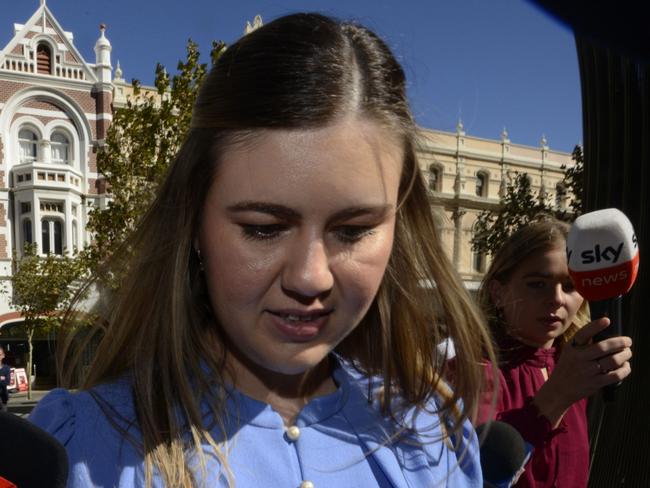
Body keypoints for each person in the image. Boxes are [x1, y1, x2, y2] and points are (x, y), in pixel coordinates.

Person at [30, 13, 495, 487]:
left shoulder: (429, 436)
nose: (311, 277)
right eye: (264, 228)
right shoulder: (84, 453)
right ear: (193, 220)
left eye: (353, 230)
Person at [476, 217, 633, 487]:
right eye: (538, 283)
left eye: (571, 286)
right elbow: (476, 474)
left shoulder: (574, 365)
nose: (557, 298)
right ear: (498, 292)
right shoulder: (471, 371)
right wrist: (555, 397)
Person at [0, 346, 10, 412]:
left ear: (3, 356)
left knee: (3, 420)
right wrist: (1, 378)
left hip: (3, 398)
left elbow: (7, 382)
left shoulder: (6, 368)